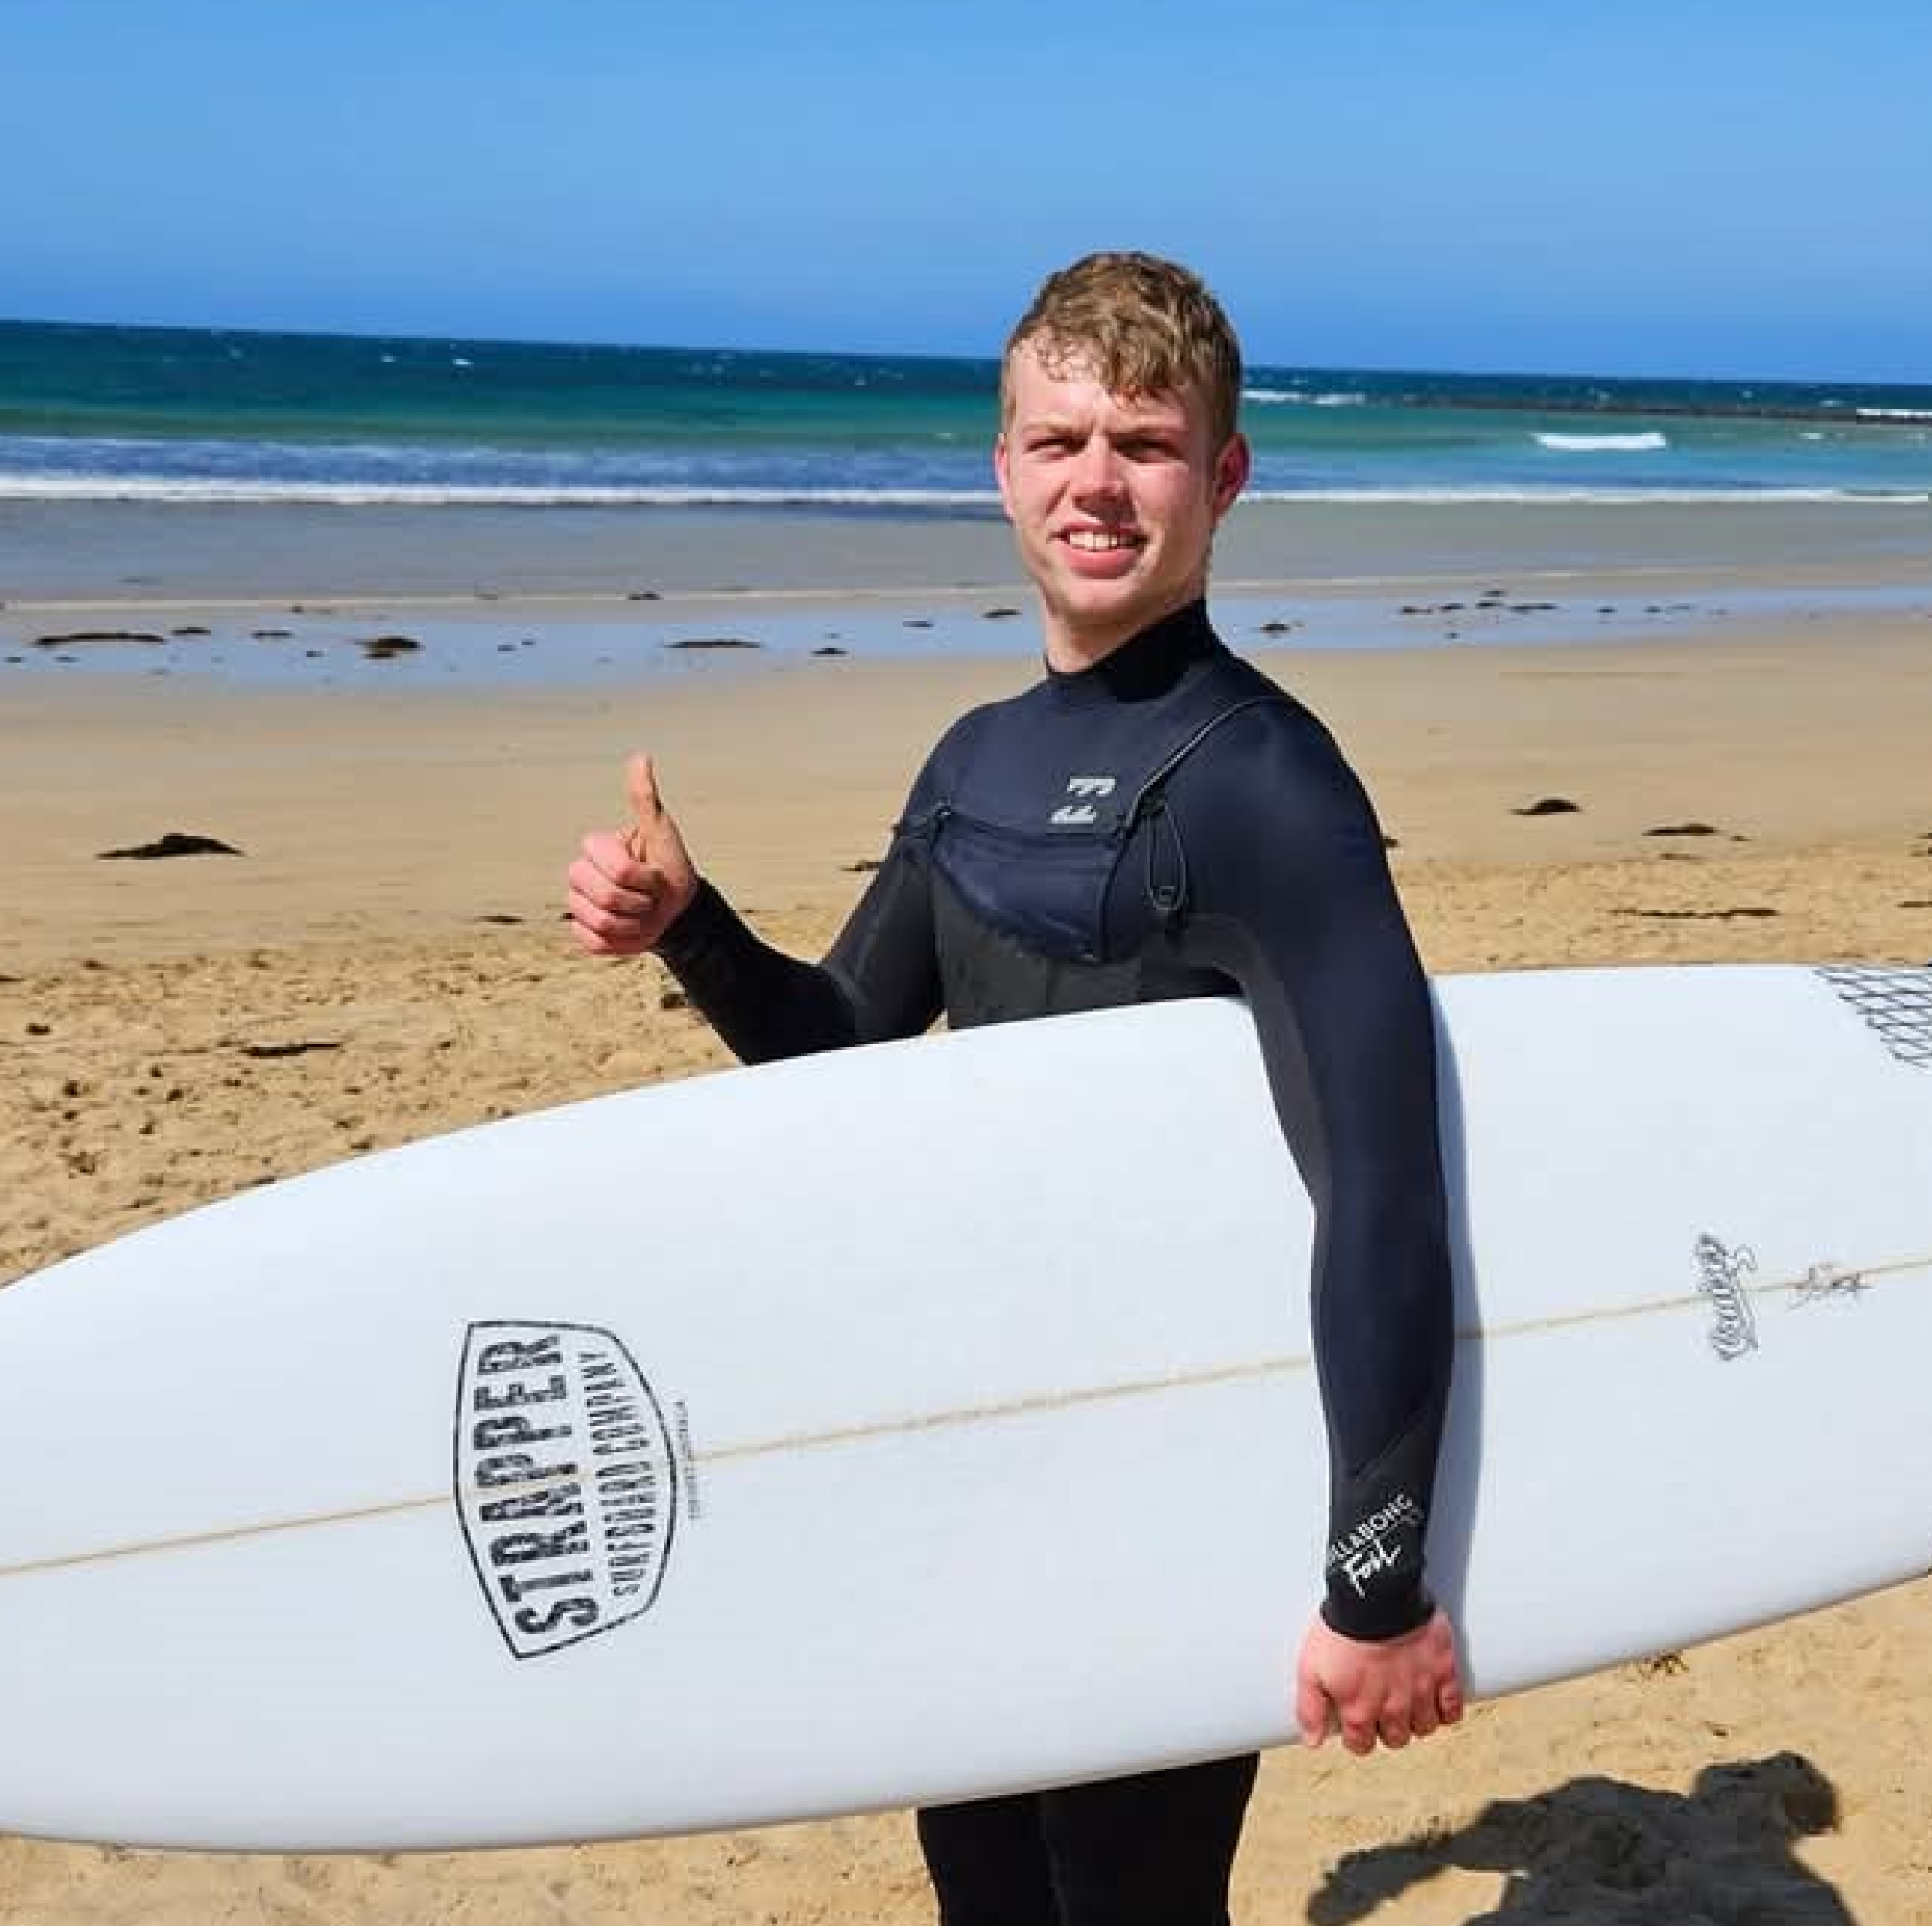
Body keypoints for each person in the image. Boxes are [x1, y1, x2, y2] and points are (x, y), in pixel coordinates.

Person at [562, 251, 1461, 1926]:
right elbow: (843, 1049)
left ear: (1225, 477)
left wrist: (1376, 1580)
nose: (1094, 484)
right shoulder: (974, 761)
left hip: (1175, 1465)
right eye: (1057, 441)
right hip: (966, 1449)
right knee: (982, 1885)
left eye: (1143, 441)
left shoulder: (1271, 786)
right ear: (999, 469)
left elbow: (1386, 1189)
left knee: (1126, 1896)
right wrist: (694, 928)